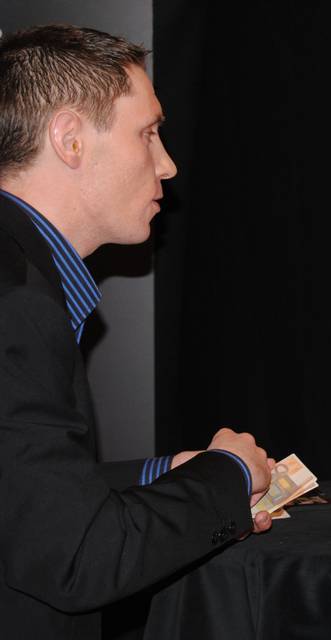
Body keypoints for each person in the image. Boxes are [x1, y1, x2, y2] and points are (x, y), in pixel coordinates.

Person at [0, 25, 275, 638]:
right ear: (70, 140)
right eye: (148, 134)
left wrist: (166, 472)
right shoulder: (19, 305)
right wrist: (225, 477)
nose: (168, 164)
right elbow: (79, 561)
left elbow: (22, 503)